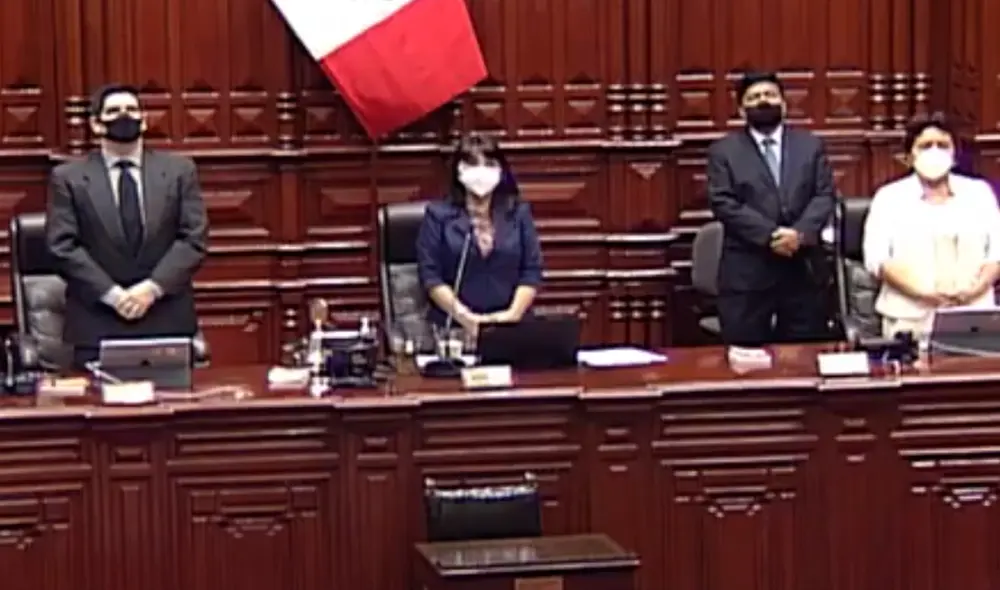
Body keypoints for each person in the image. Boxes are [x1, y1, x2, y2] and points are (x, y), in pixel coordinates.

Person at [45, 84, 208, 368]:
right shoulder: (68, 177)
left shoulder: (179, 171)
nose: (124, 116)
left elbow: (193, 239)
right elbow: (62, 246)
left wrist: (151, 289)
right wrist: (114, 295)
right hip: (97, 322)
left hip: (166, 317)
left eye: (131, 110)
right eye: (113, 111)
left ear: (144, 120)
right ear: (96, 124)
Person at [706, 71, 837, 346]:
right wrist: (772, 236)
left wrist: (799, 235)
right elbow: (724, 203)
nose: (763, 101)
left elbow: (824, 195)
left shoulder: (810, 146)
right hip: (748, 275)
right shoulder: (723, 151)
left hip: (803, 271)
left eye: (770, 95)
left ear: (784, 104)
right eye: (754, 97)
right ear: (741, 109)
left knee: (804, 358)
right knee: (747, 363)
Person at [863, 111, 1000, 340]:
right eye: (925, 146)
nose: (935, 152)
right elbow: (878, 260)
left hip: (973, 316)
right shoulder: (889, 198)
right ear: (908, 156)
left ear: (955, 154)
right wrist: (927, 294)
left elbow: (996, 252)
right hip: (910, 321)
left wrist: (974, 290)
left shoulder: (979, 193)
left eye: (943, 145)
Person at [416, 132, 543, 339]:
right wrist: (468, 319)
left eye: (489, 164)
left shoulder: (518, 213)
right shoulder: (438, 216)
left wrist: (510, 317)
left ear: (501, 171)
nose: (481, 172)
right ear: (459, 172)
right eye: (472, 165)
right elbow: (430, 277)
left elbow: (532, 271)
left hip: (513, 329)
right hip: (455, 331)